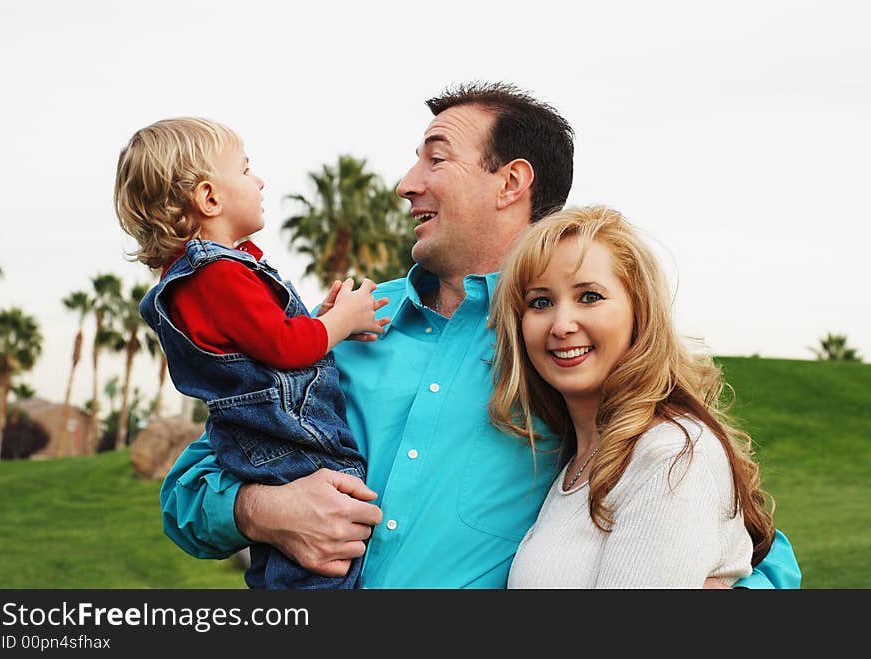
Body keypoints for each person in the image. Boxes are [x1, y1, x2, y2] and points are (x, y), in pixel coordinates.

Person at [159, 83, 801, 588]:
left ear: (511, 183)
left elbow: (730, 523)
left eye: (435, 158)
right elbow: (188, 489)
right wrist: (262, 512)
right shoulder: (344, 322)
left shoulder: (570, 352)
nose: (406, 183)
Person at [114, 117, 388, 589]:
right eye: (245, 170)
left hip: (255, 440)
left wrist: (318, 321)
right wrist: (343, 321)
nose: (258, 181)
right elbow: (286, 347)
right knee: (323, 563)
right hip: (288, 437)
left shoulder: (195, 280)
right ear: (209, 198)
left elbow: (268, 343)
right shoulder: (220, 274)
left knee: (286, 567)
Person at [490, 205, 777, 588]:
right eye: (541, 302)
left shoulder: (672, 454)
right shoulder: (575, 461)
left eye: (589, 296)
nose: (561, 325)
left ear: (638, 311)